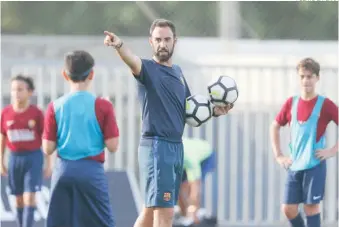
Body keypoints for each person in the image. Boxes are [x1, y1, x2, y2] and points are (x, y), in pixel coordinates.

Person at [103, 18, 232, 227]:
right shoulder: (146, 69)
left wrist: (214, 111)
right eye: (158, 39)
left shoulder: (178, 73)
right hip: (156, 146)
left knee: (149, 210)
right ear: (151, 42)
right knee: (165, 214)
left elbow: (189, 112)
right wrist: (119, 45)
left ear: (174, 41)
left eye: (166, 39)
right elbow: (131, 59)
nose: (162, 44)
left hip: (175, 147)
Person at [42, 50, 120, 227]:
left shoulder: (55, 106)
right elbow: (113, 145)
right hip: (91, 171)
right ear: (91, 74)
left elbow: (47, 148)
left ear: (64, 74)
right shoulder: (103, 105)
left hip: (63, 171)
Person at [270, 58, 338, 227]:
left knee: (311, 207)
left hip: (314, 165)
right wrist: (279, 155)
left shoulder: (325, 104)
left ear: (317, 78)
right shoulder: (291, 103)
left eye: (310, 76)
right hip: (294, 165)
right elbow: (275, 126)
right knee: (288, 209)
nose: (306, 80)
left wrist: (333, 150)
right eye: (302, 76)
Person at [0, 75, 53, 227]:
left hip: (33, 157)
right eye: (13, 90)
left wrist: (48, 163)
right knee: (18, 199)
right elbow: (2, 138)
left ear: (30, 92)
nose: (16, 93)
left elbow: (46, 139)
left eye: (20, 89)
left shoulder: (36, 113)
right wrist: (1, 161)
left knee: (30, 197)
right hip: (15, 158)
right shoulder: (6, 113)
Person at [175, 137, 216, 226]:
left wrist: (192, 208)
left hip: (206, 156)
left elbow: (195, 187)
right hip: (183, 154)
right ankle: (184, 214)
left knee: (191, 187)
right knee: (178, 187)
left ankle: (193, 216)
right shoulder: (167, 156)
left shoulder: (190, 160)